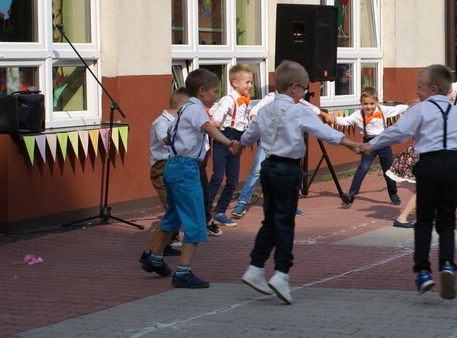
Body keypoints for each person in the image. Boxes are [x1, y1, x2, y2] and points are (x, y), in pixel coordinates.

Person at [363, 64, 457, 299]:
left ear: (432, 89)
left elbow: (399, 133)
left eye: (420, 87)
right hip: (453, 167)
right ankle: (446, 265)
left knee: (424, 221)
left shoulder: (421, 110)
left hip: (429, 166)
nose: (418, 92)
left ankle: (423, 271)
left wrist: (369, 145)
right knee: (446, 222)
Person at [239, 61, 362, 304]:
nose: (306, 93)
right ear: (294, 88)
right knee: (285, 222)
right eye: (305, 89)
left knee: (270, 220)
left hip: (268, 167)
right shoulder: (299, 111)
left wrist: (237, 145)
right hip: (287, 170)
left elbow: (249, 136)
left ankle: (255, 267)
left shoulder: (265, 110)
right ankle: (281, 273)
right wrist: (353, 144)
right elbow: (324, 132)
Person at [138, 69, 242, 289]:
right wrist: (228, 143)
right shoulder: (197, 109)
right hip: (186, 168)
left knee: (174, 214)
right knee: (196, 220)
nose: (216, 95)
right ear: (202, 91)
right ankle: (183, 272)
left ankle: (155, 257)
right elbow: (208, 129)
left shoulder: (184, 109)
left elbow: (169, 137)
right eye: (215, 91)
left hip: (173, 166)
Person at [230, 91, 328, 219]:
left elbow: (311, 108)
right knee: (257, 169)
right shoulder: (271, 98)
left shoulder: (295, 100)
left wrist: (324, 114)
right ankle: (242, 202)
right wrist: (256, 119)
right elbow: (255, 110)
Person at [327, 87, 408, 205]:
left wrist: (410, 107)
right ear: (361, 103)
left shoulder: (383, 110)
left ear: (377, 102)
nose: (368, 106)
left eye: (372, 103)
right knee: (363, 167)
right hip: (368, 143)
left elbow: (398, 109)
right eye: (365, 104)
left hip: (383, 141)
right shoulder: (357, 115)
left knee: (388, 170)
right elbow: (346, 120)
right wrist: (334, 119)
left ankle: (393, 194)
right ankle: (352, 193)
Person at [208, 64, 254, 230]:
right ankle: (205, 212)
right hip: (224, 137)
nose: (250, 86)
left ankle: (220, 212)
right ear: (235, 83)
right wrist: (218, 122)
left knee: (233, 179)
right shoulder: (228, 99)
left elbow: (245, 121)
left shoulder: (245, 102)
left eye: (251, 82)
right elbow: (219, 114)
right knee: (217, 176)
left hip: (238, 138)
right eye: (247, 82)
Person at [149, 88, 189, 256]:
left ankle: (165, 242)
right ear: (181, 107)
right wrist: (172, 137)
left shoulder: (177, 121)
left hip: (173, 165)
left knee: (175, 205)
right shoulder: (162, 122)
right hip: (161, 167)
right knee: (171, 206)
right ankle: (153, 248)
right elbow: (163, 138)